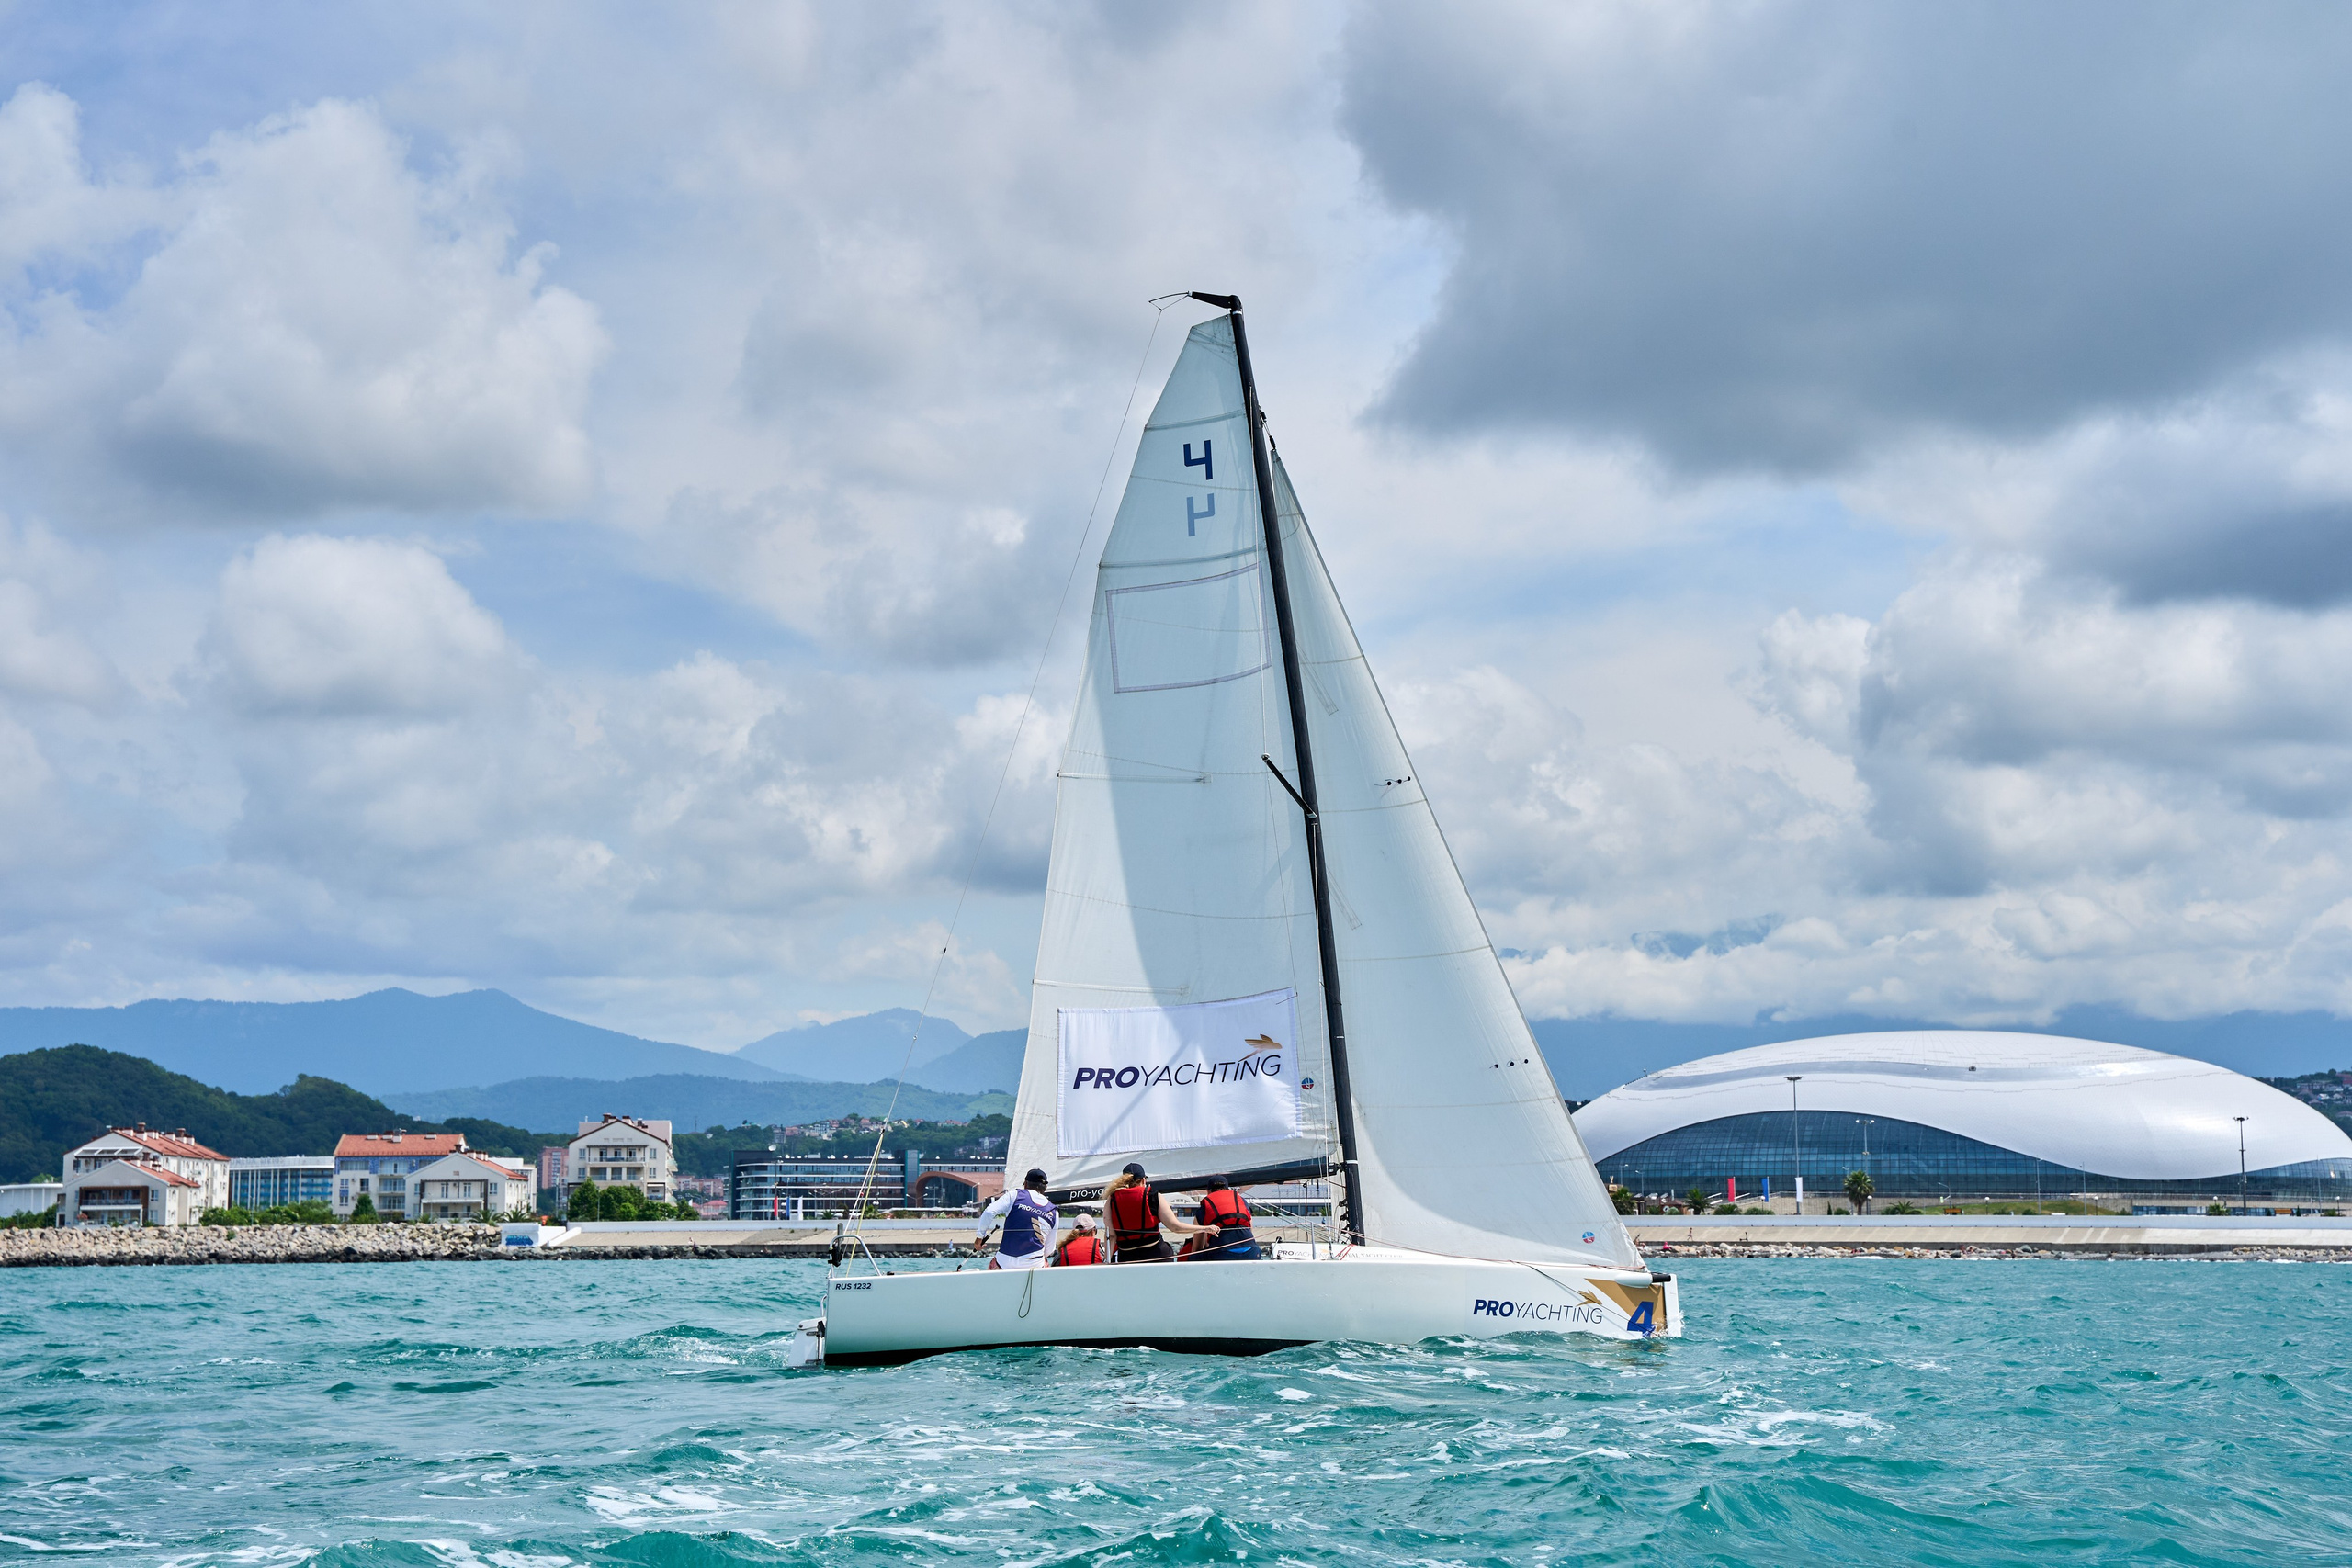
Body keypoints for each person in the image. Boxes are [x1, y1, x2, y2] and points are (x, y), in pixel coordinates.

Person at [1102, 1161, 1210, 1262]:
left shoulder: (1111, 1200)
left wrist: (1106, 1261)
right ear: (1144, 1180)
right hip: (1156, 1255)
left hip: (1127, 1257)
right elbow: (1175, 1227)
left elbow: (1111, 1236)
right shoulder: (1152, 1196)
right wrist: (1205, 1228)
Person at [973, 1168, 1058, 1270]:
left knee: (995, 1264)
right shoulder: (1054, 1211)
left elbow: (989, 1212)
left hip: (1004, 1264)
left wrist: (979, 1238)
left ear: (1026, 1184)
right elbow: (1049, 1251)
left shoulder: (1015, 1195)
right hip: (1034, 1265)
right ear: (1045, 1187)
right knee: (1043, 1261)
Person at [1184, 1174, 1261, 1260]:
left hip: (1221, 1254)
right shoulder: (1241, 1201)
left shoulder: (1204, 1208)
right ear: (1228, 1189)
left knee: (1193, 1257)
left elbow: (1197, 1249)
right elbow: (1250, 1228)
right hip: (1252, 1252)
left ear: (1208, 1192)